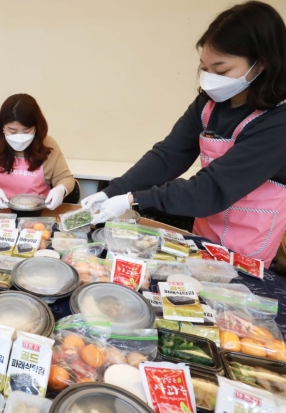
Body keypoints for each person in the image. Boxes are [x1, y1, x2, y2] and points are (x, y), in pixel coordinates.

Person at [82, 1, 286, 266]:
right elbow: (168, 155)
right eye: (205, 68)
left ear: (262, 64)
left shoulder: (278, 122)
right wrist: (114, 190)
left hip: (249, 242)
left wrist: (135, 199)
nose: (211, 78)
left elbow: (210, 190)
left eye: (222, 70)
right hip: (205, 229)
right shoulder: (209, 105)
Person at [0, 94, 77, 210]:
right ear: (2, 127)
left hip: (37, 212)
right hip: (0, 210)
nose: (19, 137)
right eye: (12, 131)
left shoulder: (47, 143)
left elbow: (66, 178)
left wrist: (61, 189)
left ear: (36, 127)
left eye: (26, 131)